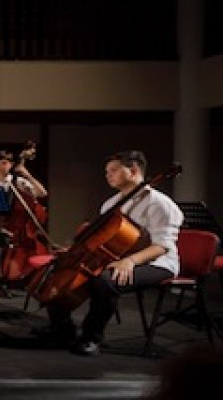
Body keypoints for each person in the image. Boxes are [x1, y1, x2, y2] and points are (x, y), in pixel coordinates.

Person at [40, 150, 182, 356]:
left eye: (114, 170)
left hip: (156, 263)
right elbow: (101, 240)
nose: (108, 175)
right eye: (107, 171)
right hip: (117, 258)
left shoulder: (160, 204)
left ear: (133, 171)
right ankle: (62, 330)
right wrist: (75, 250)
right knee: (60, 270)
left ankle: (91, 337)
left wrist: (130, 261)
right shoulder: (111, 203)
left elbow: (162, 246)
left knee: (104, 281)